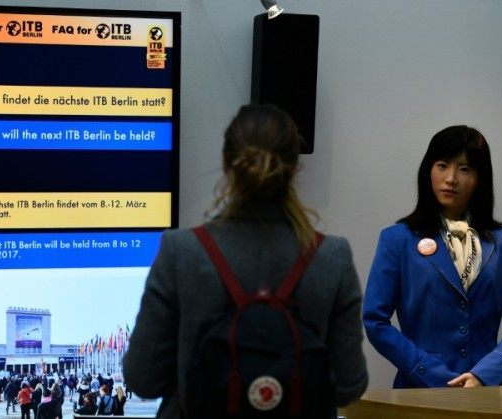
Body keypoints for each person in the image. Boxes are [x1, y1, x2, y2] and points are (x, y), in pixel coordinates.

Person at [123, 103, 368, 418]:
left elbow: (143, 380)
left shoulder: (180, 251)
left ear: (226, 164)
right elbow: (350, 386)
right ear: (294, 168)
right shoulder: (332, 257)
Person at [363, 125, 502, 389]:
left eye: (465, 169)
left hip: (485, 394)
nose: (451, 178)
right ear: (428, 170)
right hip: (419, 392)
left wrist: (487, 373)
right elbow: (375, 321)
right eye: (442, 165)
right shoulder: (398, 239)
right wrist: (429, 372)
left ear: (480, 178)